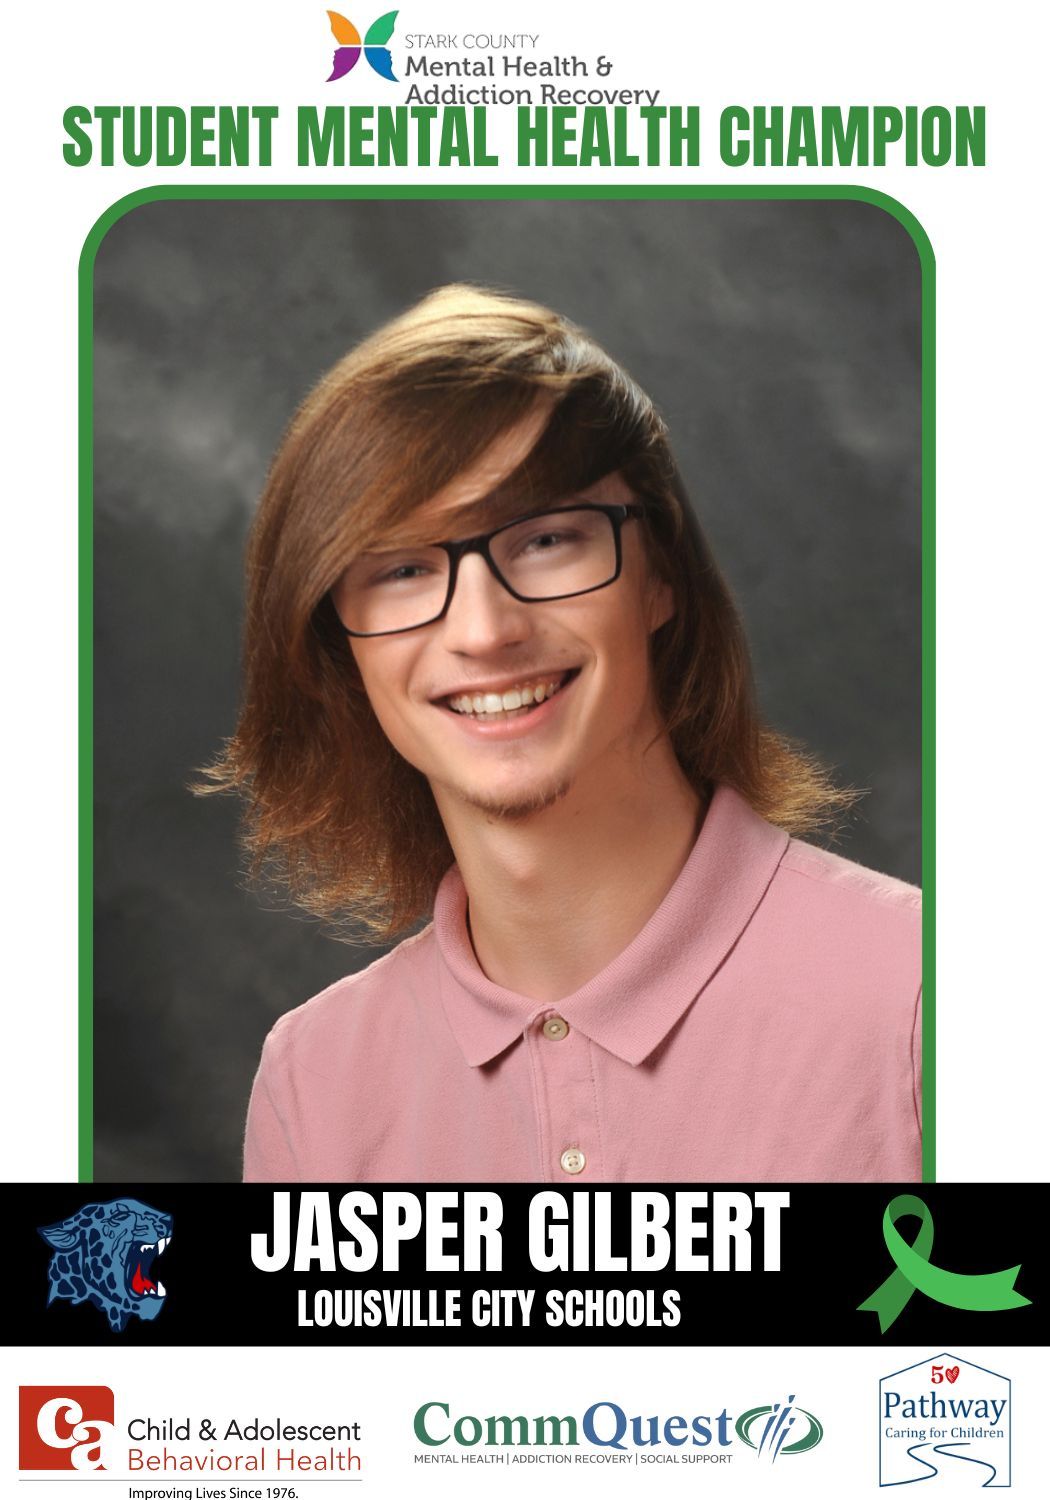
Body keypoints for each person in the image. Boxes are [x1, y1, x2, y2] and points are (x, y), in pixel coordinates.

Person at [206, 284, 921, 1183]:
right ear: (339, 645)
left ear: (661, 575)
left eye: (545, 540)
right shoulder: (315, 1080)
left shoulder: (925, 1004)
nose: (483, 630)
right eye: (401, 568)